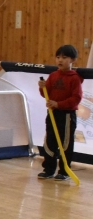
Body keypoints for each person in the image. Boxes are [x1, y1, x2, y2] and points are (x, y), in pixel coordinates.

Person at [37, 44, 83, 180]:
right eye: (58, 57)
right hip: (52, 114)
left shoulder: (75, 78)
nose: (60, 60)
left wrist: (59, 104)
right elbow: (45, 94)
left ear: (73, 60)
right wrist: (42, 88)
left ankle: (64, 171)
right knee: (50, 141)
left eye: (64, 57)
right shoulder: (53, 75)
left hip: (67, 116)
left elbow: (76, 98)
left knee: (65, 143)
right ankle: (48, 169)